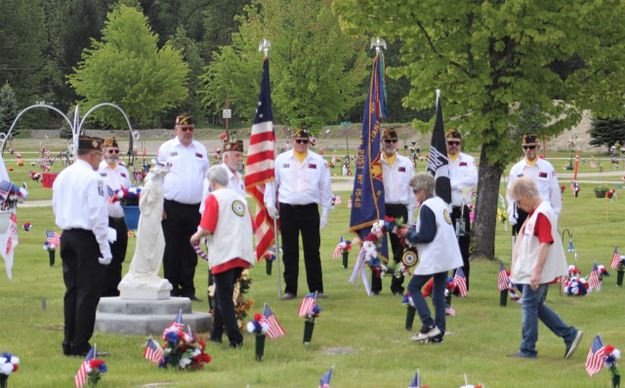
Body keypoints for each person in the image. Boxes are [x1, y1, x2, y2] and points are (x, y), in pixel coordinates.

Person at [507, 177, 583, 359]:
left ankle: (527, 349)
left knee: (529, 304)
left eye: (519, 200)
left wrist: (537, 272)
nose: (518, 205)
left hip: (536, 271)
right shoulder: (536, 212)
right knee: (535, 305)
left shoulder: (542, 213)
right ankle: (569, 334)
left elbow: (545, 243)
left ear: (527, 195)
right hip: (529, 269)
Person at [52, 135, 111, 356]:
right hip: (87, 238)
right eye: (100, 156)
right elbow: (98, 216)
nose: (100, 161)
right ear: (93, 154)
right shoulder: (93, 178)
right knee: (88, 292)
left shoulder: (63, 175)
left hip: (67, 234)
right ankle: (80, 343)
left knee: (72, 290)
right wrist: (105, 248)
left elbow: (56, 206)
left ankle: (68, 341)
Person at [190, 165, 254, 348]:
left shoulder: (214, 198)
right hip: (241, 252)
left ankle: (235, 338)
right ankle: (216, 333)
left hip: (225, 252)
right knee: (220, 293)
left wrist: (195, 237)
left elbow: (208, 227)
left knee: (224, 297)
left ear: (212, 182)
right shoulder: (240, 199)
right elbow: (251, 224)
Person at [264, 128, 332, 300]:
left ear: (309, 142)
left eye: (305, 141)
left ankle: (317, 288)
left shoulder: (318, 160)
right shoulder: (281, 160)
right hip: (288, 209)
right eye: (298, 141)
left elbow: (325, 188)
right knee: (289, 251)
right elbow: (272, 184)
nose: (302, 144)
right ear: (292, 141)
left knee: (312, 250)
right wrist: (270, 203)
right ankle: (290, 289)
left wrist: (325, 212)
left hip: (309, 209)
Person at [397, 173, 463, 343]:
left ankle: (428, 324)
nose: (414, 194)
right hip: (446, 254)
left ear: (424, 191)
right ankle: (439, 332)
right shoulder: (439, 203)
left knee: (413, 287)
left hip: (436, 255)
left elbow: (426, 235)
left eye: (416, 191)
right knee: (438, 295)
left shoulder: (426, 206)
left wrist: (409, 234)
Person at [158, 114, 209, 300]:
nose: (187, 132)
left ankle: (188, 289)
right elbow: (158, 178)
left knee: (190, 249)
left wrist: (207, 207)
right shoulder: (166, 148)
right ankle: (171, 288)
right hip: (171, 206)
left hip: (195, 207)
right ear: (176, 129)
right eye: (183, 128)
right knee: (171, 249)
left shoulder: (201, 149)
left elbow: (207, 180)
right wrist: (159, 205)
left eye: (190, 129)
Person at [378, 128, 415, 295]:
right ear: (382, 142)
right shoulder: (376, 163)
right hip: (381, 208)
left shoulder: (406, 163)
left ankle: (396, 285)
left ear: (398, 142)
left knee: (400, 249)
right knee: (376, 248)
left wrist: (411, 215)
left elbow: (412, 191)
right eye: (387, 141)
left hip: (400, 209)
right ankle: (375, 286)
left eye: (393, 141)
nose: (391, 144)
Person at [507, 134, 561, 236]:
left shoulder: (547, 167)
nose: (528, 150)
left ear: (537, 147)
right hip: (523, 212)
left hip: (543, 212)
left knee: (542, 244)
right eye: (525, 147)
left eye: (531, 147)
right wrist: (512, 211)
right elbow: (511, 194)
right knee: (524, 246)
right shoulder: (516, 169)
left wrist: (556, 214)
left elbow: (554, 192)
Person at [97, 137, 130, 297]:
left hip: (121, 220)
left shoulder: (123, 171)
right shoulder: (98, 170)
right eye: (110, 151)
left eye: (116, 151)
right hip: (106, 220)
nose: (114, 154)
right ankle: (103, 292)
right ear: (103, 152)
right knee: (105, 258)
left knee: (118, 258)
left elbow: (128, 193)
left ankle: (115, 291)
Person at [445, 129, 477, 290]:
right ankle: (443, 284)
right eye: (450, 143)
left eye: (457, 143)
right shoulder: (441, 161)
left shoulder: (468, 160)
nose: (454, 146)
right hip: (444, 211)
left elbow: (472, 179)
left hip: (461, 209)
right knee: (444, 246)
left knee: (462, 248)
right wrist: (460, 184)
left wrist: (452, 185)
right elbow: (437, 181)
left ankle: (460, 285)